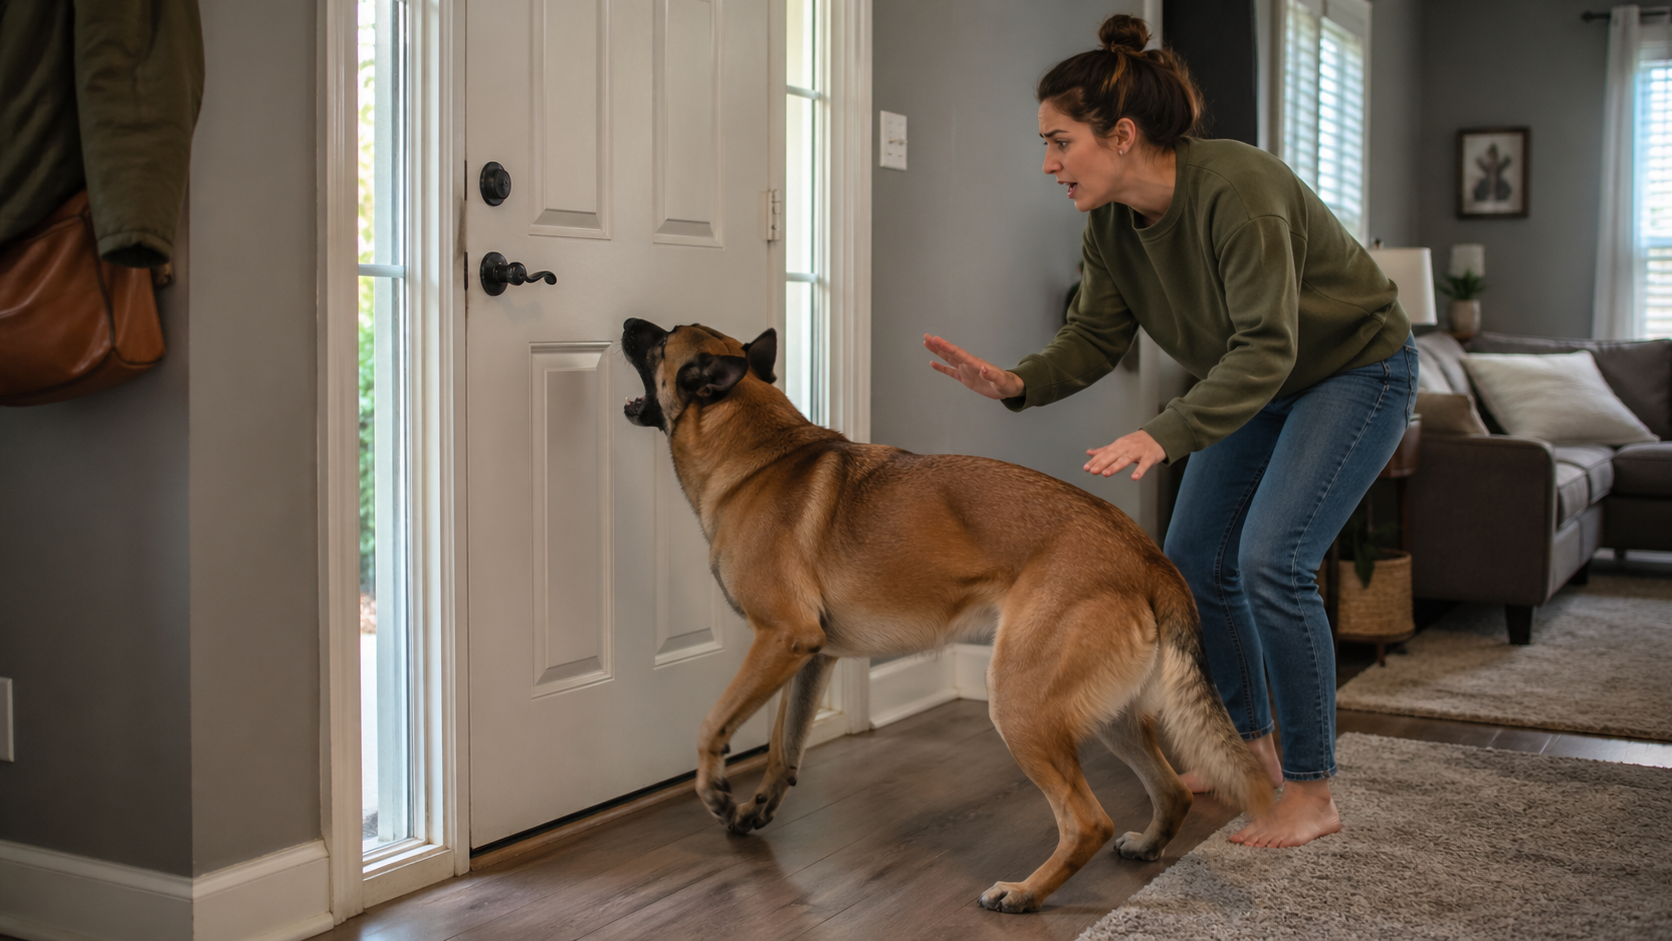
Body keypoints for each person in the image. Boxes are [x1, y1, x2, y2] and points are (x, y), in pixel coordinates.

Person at [925, 14, 1416, 849]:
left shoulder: (1238, 189)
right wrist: (1015, 382)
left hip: (1354, 370)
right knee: (1192, 557)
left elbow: (1270, 342)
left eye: (1059, 142)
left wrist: (1163, 433)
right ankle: (1248, 743)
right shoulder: (1112, 226)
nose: (1047, 163)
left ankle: (1312, 786)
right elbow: (1093, 337)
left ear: (1120, 136)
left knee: (1274, 559)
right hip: (1254, 381)